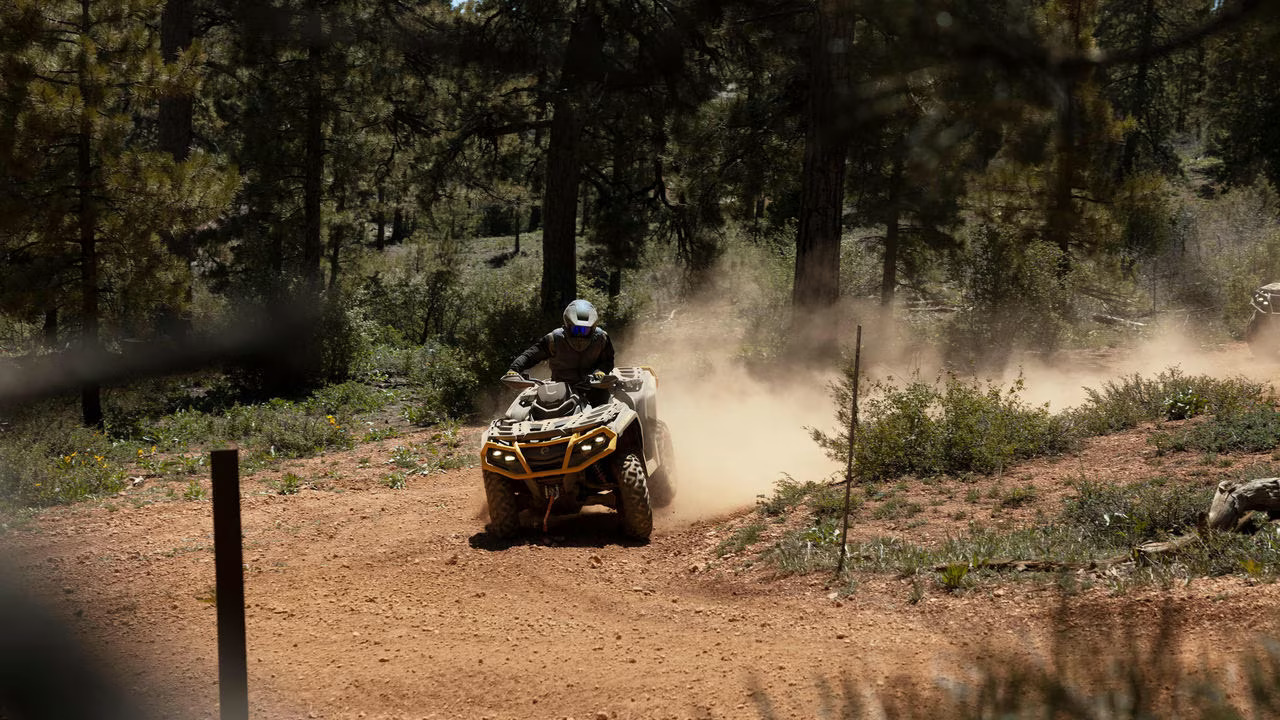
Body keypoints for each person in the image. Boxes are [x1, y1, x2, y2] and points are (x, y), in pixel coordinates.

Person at [506, 299, 616, 386]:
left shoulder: (602, 338)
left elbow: (608, 361)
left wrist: (601, 371)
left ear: (592, 328)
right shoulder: (554, 339)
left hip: (593, 387)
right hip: (560, 388)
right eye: (576, 329)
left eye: (584, 329)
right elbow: (530, 356)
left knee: (609, 404)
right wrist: (514, 369)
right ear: (567, 325)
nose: (580, 333)